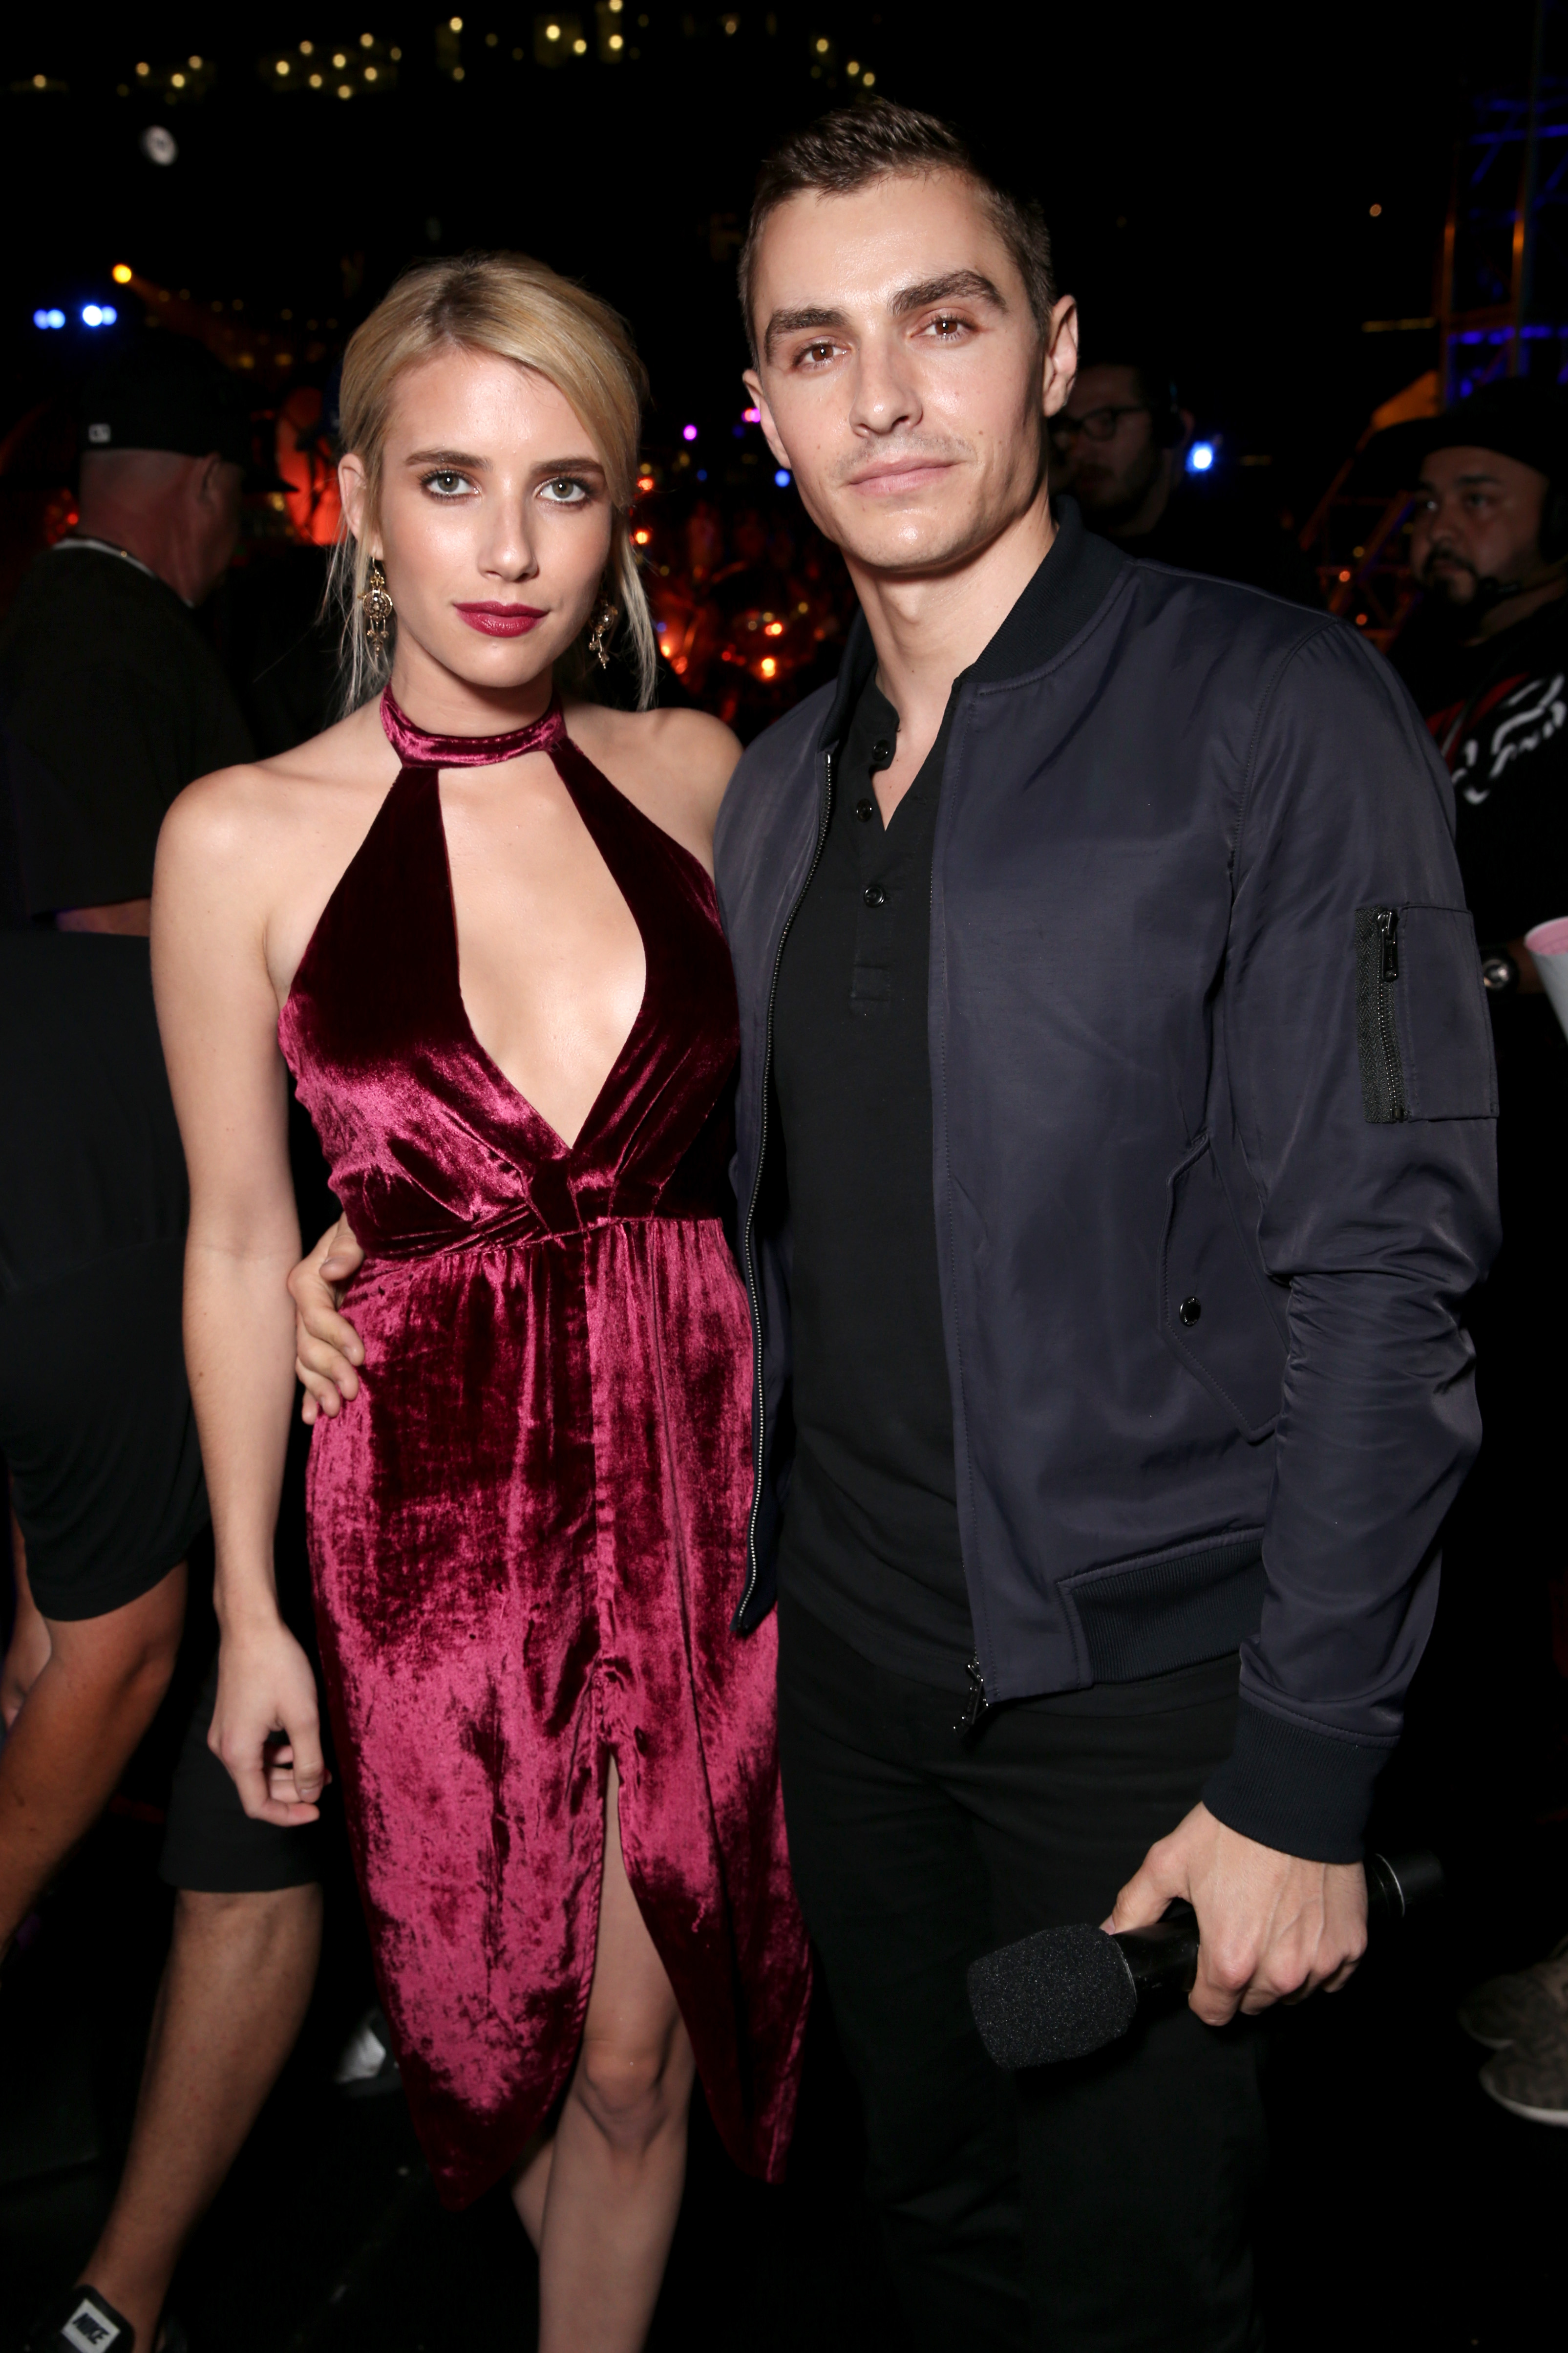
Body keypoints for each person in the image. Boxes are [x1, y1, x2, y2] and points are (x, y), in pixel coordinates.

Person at [293, 105, 1498, 2351]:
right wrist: (379, 1230)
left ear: (1053, 350)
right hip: (832, 1672)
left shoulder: (1273, 708)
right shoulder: (769, 785)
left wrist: (1301, 1766)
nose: (882, 397)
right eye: (814, 345)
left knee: (1134, 2286)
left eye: (940, 324)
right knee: (931, 2227)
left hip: (1140, 1695)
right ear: (762, 403)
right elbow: (684, 1147)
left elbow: (1393, 1266)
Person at [150, 252, 809, 2353]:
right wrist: (248, 1609)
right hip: (433, 1497)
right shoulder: (238, 836)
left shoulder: (698, 770)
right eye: (449, 480)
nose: (508, 548)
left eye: (563, 485)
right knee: (490, 2028)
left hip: (705, 1466)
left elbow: (808, 1135)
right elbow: (233, 1236)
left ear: (622, 511)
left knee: (637, 2045)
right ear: (352, 496)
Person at [0, 336, 332, 2353]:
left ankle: (122, 2291)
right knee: (198, 1733)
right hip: (169, 1254)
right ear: (203, 491)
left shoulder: (66, 635)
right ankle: (121, 2291)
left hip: (168, 1262)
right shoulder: (111, 647)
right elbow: (154, 986)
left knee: (216, 1752)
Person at [1382, 378, 1568, 2130]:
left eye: (1477, 491)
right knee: (1479, 1566)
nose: (1440, 522)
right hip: (1452, 1208)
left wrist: (1491, 969)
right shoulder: (1419, 674)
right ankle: (1507, 1905)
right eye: (1428, 496)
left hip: (1547, 1201)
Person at [1050, 346, 1320, 601]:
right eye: (1071, 427)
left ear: (1171, 428)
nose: (1079, 450)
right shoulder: (1065, 555)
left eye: (1105, 421)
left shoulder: (1253, 558)